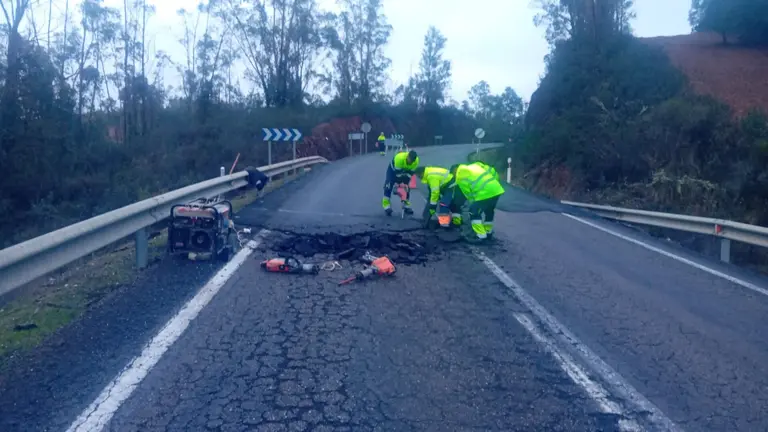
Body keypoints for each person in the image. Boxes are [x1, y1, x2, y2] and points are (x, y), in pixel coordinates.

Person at [449, 163, 505, 241]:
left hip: (485, 193)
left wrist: (472, 204)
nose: (454, 177)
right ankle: (488, 232)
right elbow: (491, 172)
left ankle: (481, 236)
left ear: (455, 171)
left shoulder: (460, 175)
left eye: (453, 175)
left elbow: (468, 193)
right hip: (497, 189)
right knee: (489, 211)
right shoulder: (474, 166)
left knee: (473, 212)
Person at [382, 150, 419, 216]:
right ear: (407, 156)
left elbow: (410, 174)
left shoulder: (416, 162)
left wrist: (405, 184)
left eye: (412, 161)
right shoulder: (399, 158)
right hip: (393, 170)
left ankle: (406, 205)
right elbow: (397, 175)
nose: (410, 162)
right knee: (389, 185)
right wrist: (398, 185)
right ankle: (386, 205)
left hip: (405, 170)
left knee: (407, 187)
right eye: (409, 160)